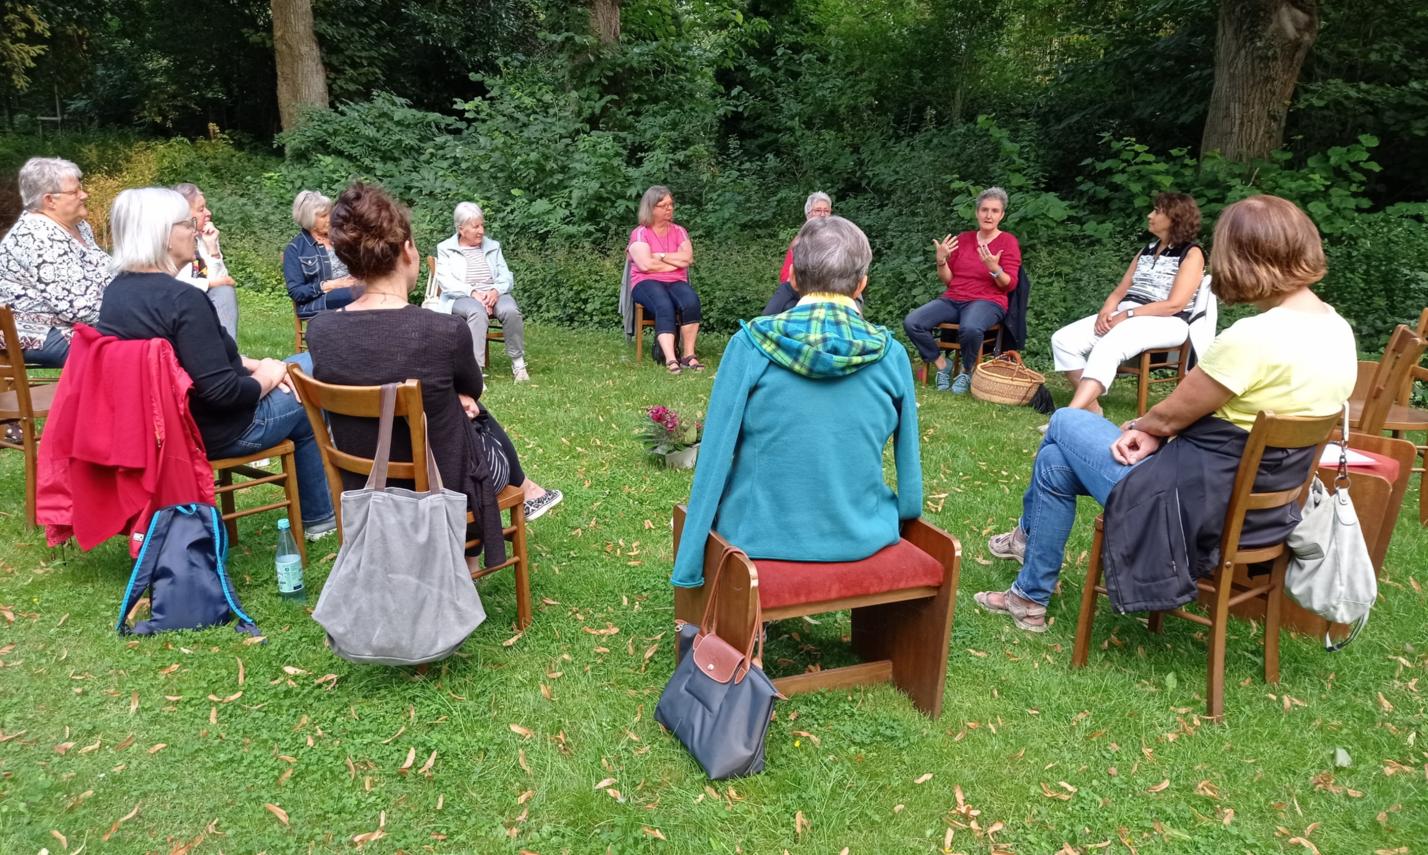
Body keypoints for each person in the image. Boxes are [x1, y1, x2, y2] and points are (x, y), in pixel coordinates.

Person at [975, 195, 1357, 633]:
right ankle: (1028, 597)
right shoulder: (1336, 329)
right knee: (1055, 463)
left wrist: (1144, 427)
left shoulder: (1253, 338)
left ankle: (1026, 547)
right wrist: (1156, 429)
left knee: (1063, 423)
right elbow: (1185, 419)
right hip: (1264, 513)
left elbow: (1171, 415)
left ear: (1244, 258)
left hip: (1188, 510)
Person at [305, 184, 562, 572]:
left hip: (363, 484)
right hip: (444, 488)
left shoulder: (321, 332)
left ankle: (471, 550)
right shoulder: (442, 331)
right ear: (407, 251)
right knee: (473, 412)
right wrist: (454, 395)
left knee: (460, 406)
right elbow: (473, 389)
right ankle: (479, 547)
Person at [671, 215, 921, 587]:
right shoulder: (891, 355)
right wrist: (907, 510)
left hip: (756, 535)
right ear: (862, 284)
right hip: (864, 534)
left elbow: (715, 455)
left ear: (793, 278)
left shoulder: (751, 345)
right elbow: (909, 469)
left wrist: (690, 565)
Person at [95, 187, 336, 540]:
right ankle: (321, 516)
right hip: (219, 430)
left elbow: (184, 358)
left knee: (299, 367)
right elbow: (224, 394)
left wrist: (254, 363)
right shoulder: (182, 299)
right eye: (187, 224)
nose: (194, 232)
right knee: (310, 382)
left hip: (162, 431)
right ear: (163, 235)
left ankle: (321, 509)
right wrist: (269, 376)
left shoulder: (118, 293)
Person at [1051, 192, 1206, 412]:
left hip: (1166, 320)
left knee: (1109, 344)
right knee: (1063, 340)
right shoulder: (1146, 251)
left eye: (1157, 211)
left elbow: (1175, 304)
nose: (1150, 215)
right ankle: (1093, 410)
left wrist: (1127, 315)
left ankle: (1069, 414)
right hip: (1127, 314)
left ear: (1175, 218)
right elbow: (1119, 292)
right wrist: (1106, 311)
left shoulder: (1192, 253)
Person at [903, 187, 1022, 394]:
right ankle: (942, 364)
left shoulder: (1008, 242)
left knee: (971, 327)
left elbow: (1009, 285)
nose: (988, 215)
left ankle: (967, 370)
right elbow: (949, 281)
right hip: (954, 298)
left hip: (989, 301)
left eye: (994, 211)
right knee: (913, 322)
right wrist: (941, 261)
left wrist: (995, 269)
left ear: (1002, 215)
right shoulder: (964, 239)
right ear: (977, 212)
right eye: (984, 210)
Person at [0, 157, 112, 367]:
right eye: (75, 191)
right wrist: (131, 318)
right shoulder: (36, 236)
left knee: (148, 341)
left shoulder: (79, 227)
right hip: (39, 332)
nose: (84, 195)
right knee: (126, 352)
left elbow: (106, 273)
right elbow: (76, 308)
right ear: (49, 200)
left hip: (78, 323)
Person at [432, 202, 529, 382]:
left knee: (510, 311)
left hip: (494, 293)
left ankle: (518, 363)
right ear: (461, 229)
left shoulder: (493, 246)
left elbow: (506, 276)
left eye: (482, 225)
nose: (481, 231)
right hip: (462, 296)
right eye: (476, 226)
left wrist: (495, 290)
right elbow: (446, 282)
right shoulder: (445, 248)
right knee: (477, 313)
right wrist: (473, 293)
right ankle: (475, 373)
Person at [627, 185, 701, 374]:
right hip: (645, 282)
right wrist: (674, 262)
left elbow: (687, 259)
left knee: (691, 302)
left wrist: (659, 256)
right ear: (651, 208)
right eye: (663, 205)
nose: (669, 208)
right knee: (663, 304)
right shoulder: (640, 233)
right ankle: (670, 358)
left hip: (676, 281)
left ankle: (689, 355)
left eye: (671, 204)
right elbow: (646, 266)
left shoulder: (679, 231)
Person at [171, 182, 240, 339]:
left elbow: (222, 282)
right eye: (201, 209)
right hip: (177, 304)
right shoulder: (169, 242)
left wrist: (213, 248)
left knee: (224, 291)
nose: (208, 213)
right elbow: (173, 283)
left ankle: (227, 349)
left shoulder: (202, 239)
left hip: (201, 302)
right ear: (184, 214)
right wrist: (211, 284)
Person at [282, 190, 358, 318]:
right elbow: (297, 292)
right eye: (323, 216)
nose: (330, 219)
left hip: (351, 291)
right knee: (361, 295)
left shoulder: (340, 238)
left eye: (330, 214)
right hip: (317, 302)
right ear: (309, 220)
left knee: (380, 291)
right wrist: (333, 284)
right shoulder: (295, 249)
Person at [763, 191, 833, 316]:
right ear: (808, 214)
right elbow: (785, 273)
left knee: (787, 303)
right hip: (798, 287)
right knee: (786, 301)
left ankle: (762, 323)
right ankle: (763, 322)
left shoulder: (835, 238)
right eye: (818, 210)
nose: (822, 214)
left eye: (826, 211)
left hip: (823, 289)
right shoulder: (799, 239)